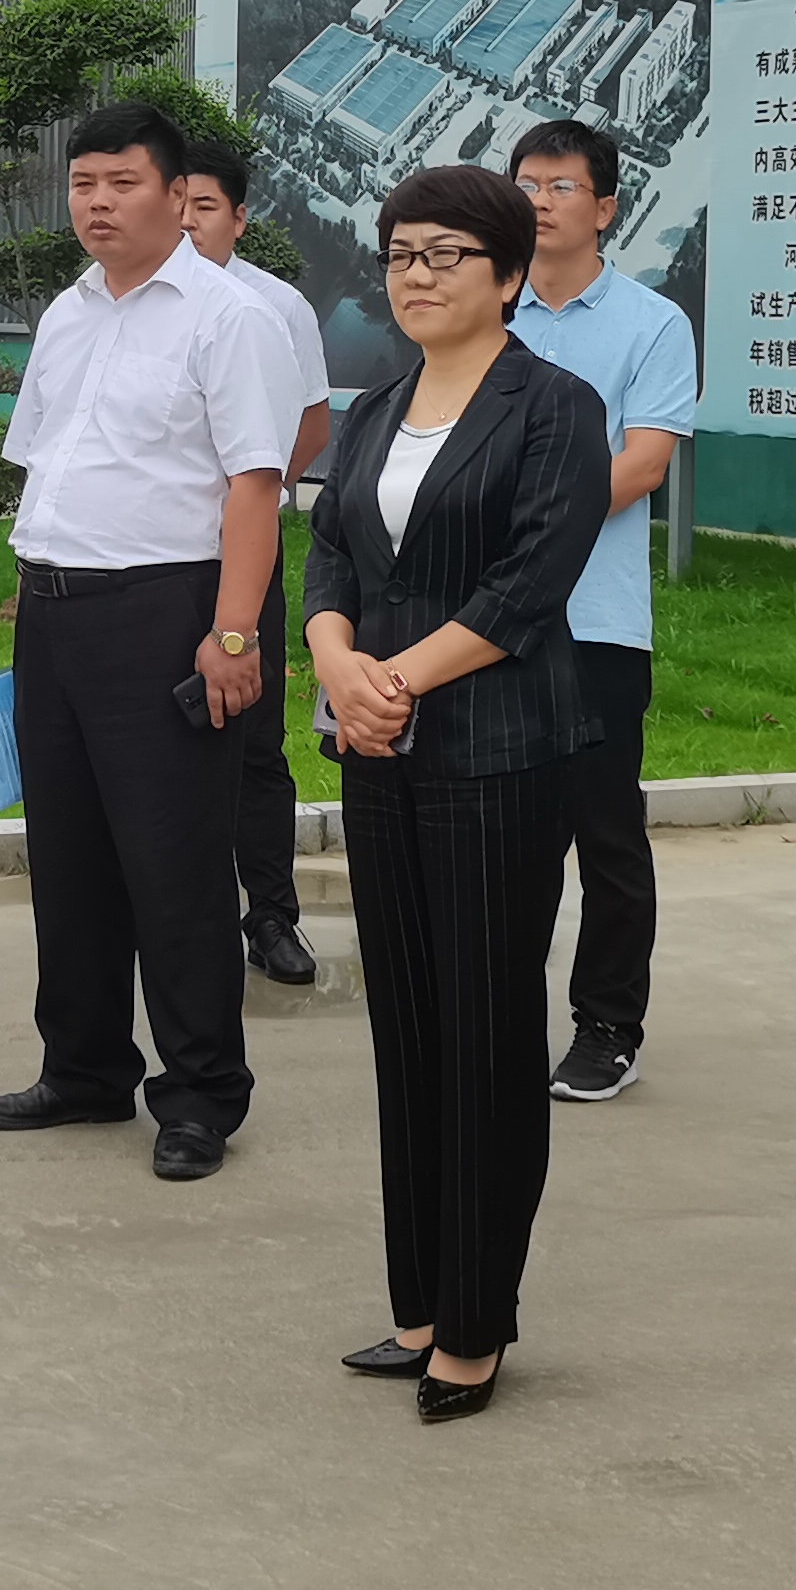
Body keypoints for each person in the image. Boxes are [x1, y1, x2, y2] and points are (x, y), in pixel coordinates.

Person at [303, 164, 611, 1421]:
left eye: (442, 254)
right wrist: (335, 660)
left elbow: (532, 580)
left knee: (485, 1035)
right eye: (398, 254)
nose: (414, 275)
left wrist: (396, 679)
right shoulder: (377, 407)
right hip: (381, 748)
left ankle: (476, 1325)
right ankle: (420, 1302)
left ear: (506, 272)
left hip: (496, 750)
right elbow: (329, 552)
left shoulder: (555, 407)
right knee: (409, 1031)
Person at [0, 99, 299, 1182]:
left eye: (121, 183)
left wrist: (234, 632)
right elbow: (52, 461)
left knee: (174, 863)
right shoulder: (68, 313)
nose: (97, 204)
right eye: (83, 184)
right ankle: (84, 1068)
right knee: (68, 857)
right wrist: (32, 592)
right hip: (55, 611)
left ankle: (200, 1092)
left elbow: (255, 485)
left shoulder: (227, 317)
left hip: (165, 612)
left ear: (176, 194)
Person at [499, 121, 699, 1101]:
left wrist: (527, 524)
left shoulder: (652, 324)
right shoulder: (485, 313)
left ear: (607, 207)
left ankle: (609, 1024)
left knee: (605, 835)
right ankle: (497, 1016)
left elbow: (643, 463)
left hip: (594, 626)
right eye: (526, 184)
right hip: (484, 625)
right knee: (501, 837)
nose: (540, 202)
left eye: (561, 186)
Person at [172, 140, 335, 988]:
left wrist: (253, 498)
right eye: (178, 204)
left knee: (255, 740)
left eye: (206, 207)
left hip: (245, 556)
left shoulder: (276, 307)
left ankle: (270, 915)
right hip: (153, 565)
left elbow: (311, 426)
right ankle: (173, 918)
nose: (188, 222)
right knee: (158, 741)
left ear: (239, 218)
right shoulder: (128, 302)